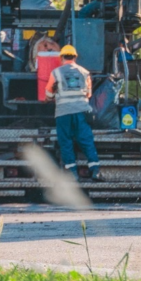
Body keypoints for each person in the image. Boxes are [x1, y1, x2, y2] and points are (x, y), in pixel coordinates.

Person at [44, 44, 101, 181]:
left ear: (61, 57)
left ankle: (73, 173)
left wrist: (52, 97)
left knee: (66, 142)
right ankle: (95, 171)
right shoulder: (85, 72)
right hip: (81, 111)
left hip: (63, 113)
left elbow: (48, 93)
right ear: (75, 57)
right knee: (86, 140)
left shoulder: (56, 72)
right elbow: (88, 94)